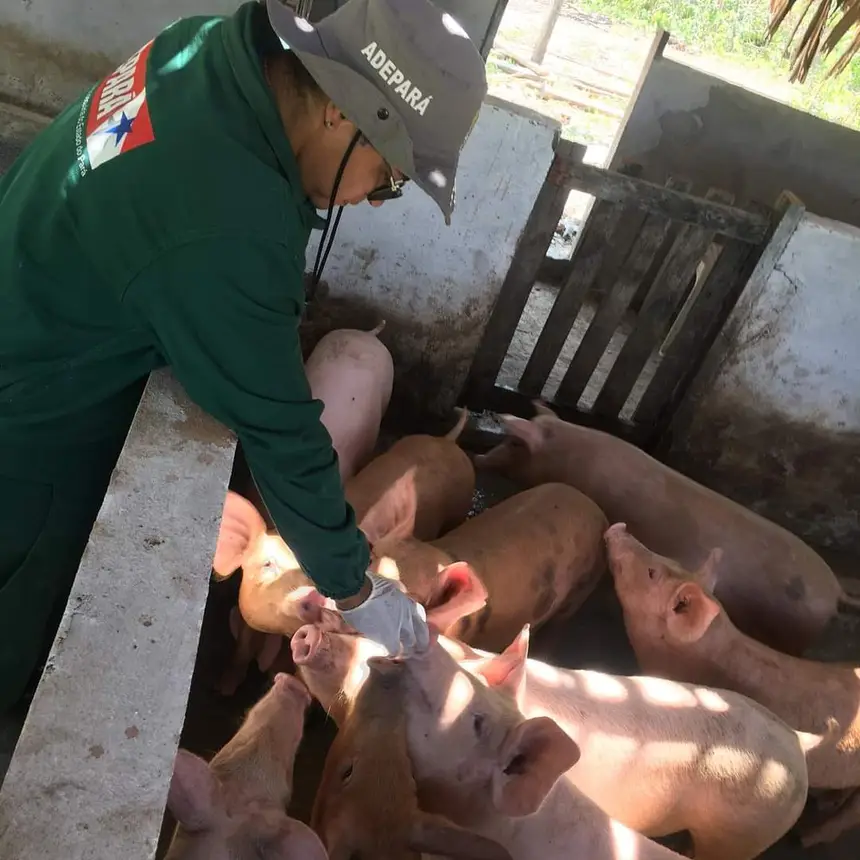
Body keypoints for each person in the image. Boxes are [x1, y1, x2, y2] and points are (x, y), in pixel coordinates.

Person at [0, 0, 487, 714]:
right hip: (32, 427)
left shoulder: (204, 53)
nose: (379, 201)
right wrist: (356, 586)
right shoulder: (225, 222)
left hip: (35, 307)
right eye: (389, 176)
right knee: (16, 613)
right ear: (341, 114)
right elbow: (278, 426)